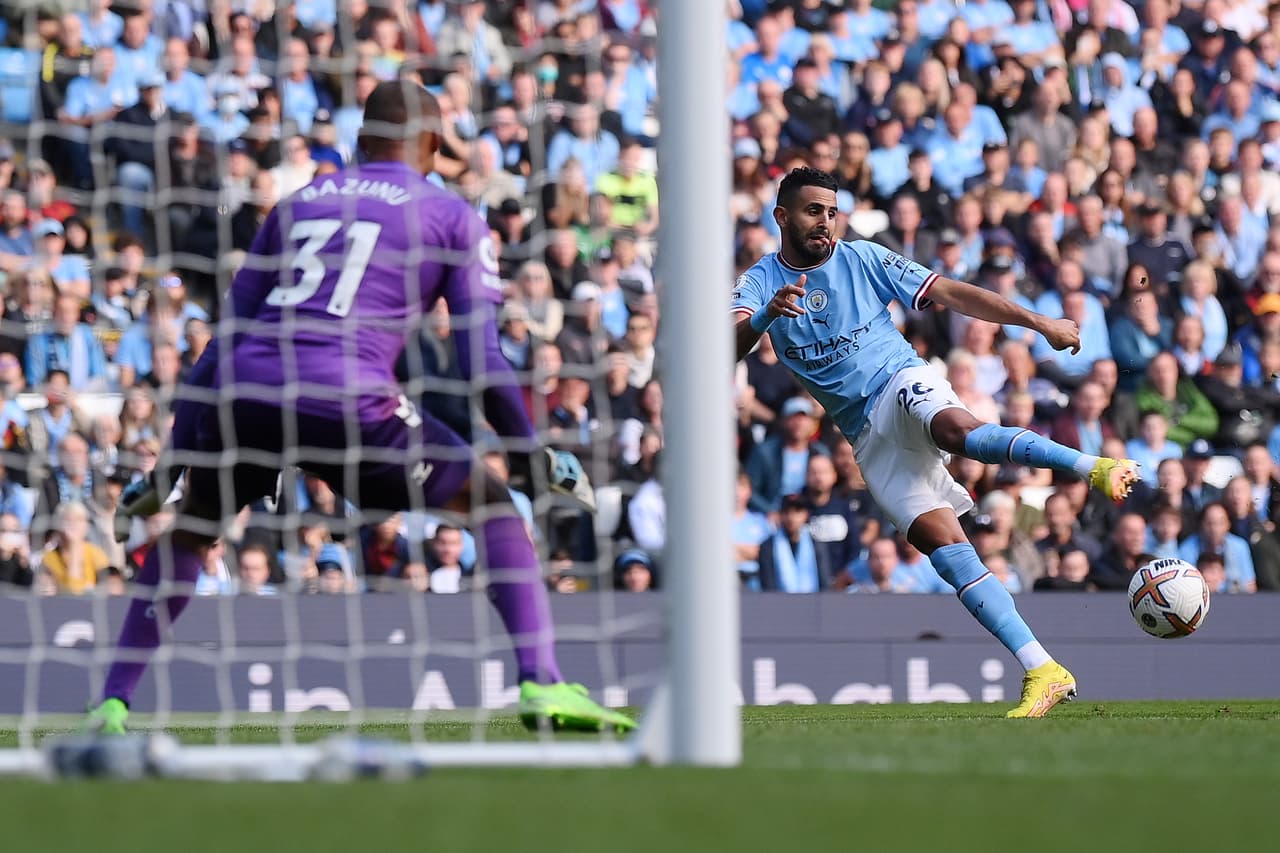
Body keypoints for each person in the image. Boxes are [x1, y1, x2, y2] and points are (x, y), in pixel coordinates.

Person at [87, 82, 631, 736]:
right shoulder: (451, 215)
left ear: (361, 140)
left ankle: (111, 703)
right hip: (350, 400)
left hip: (247, 392)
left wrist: (169, 467)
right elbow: (482, 362)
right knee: (492, 507)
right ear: (434, 145)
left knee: (192, 528)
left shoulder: (298, 202)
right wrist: (528, 454)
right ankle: (542, 683)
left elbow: (220, 344)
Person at [732, 167, 1139, 718]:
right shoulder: (759, 281)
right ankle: (1044, 668)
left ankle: (1094, 465)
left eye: (831, 211)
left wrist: (1039, 322)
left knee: (956, 430)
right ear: (781, 216)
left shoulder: (864, 258)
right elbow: (725, 345)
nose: (825, 221)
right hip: (866, 434)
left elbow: (950, 292)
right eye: (812, 211)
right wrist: (764, 316)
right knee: (943, 548)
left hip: (899, 380)